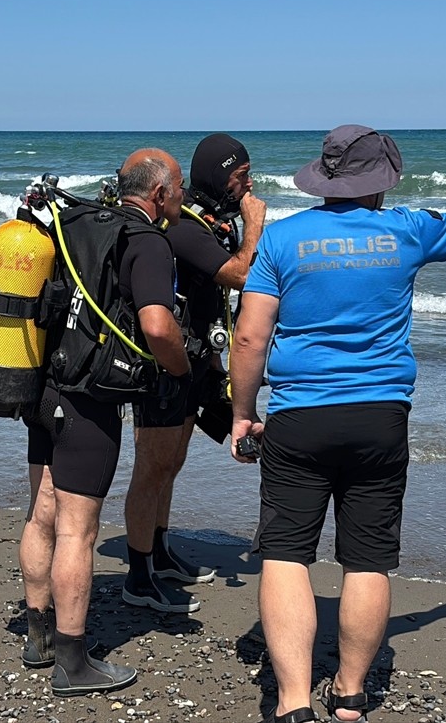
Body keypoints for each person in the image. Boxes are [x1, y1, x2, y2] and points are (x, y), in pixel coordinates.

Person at [230, 125, 446, 723]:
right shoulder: (406, 230)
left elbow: (251, 336)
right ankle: (351, 694)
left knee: (284, 554)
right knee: (367, 558)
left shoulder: (281, 238)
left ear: (325, 179)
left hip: (299, 415)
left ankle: (293, 700)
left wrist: (244, 413)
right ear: (381, 183)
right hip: (380, 416)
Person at [27, 148, 192, 696]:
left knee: (42, 512)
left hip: (45, 384)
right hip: (89, 400)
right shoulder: (147, 242)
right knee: (78, 528)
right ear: (160, 193)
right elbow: (158, 326)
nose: (184, 196)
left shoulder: (72, 221)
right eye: (180, 187)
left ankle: (38, 635)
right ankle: (73, 663)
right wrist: (182, 367)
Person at [122, 133, 266, 613]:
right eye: (240, 176)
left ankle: (158, 550)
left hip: (195, 357)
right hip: (168, 361)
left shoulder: (201, 222)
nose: (247, 185)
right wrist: (256, 225)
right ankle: (138, 574)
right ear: (216, 176)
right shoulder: (183, 228)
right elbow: (242, 275)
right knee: (152, 466)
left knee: (171, 462)